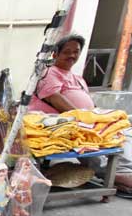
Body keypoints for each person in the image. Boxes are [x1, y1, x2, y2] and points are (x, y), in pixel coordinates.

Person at [29, 34, 132, 195]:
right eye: (67, 52)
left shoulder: (77, 78)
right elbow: (57, 101)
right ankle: (117, 175)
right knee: (87, 141)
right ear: (55, 54)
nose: (72, 55)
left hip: (84, 121)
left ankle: (125, 171)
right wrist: (88, 120)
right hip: (64, 124)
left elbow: (90, 104)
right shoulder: (48, 74)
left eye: (76, 52)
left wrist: (101, 118)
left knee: (119, 131)